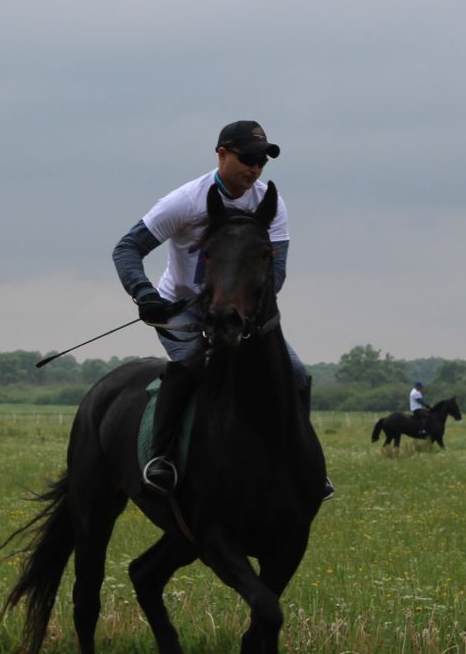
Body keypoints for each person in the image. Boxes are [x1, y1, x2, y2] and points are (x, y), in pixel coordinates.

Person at [112, 119, 328, 499]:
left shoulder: (269, 203)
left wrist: (245, 307)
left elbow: (275, 272)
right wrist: (144, 293)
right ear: (222, 153)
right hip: (183, 309)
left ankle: (299, 458)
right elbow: (127, 249)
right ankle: (161, 457)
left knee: (295, 373)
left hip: (238, 311)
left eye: (263, 162)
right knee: (195, 364)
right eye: (248, 159)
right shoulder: (184, 202)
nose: (256, 169)